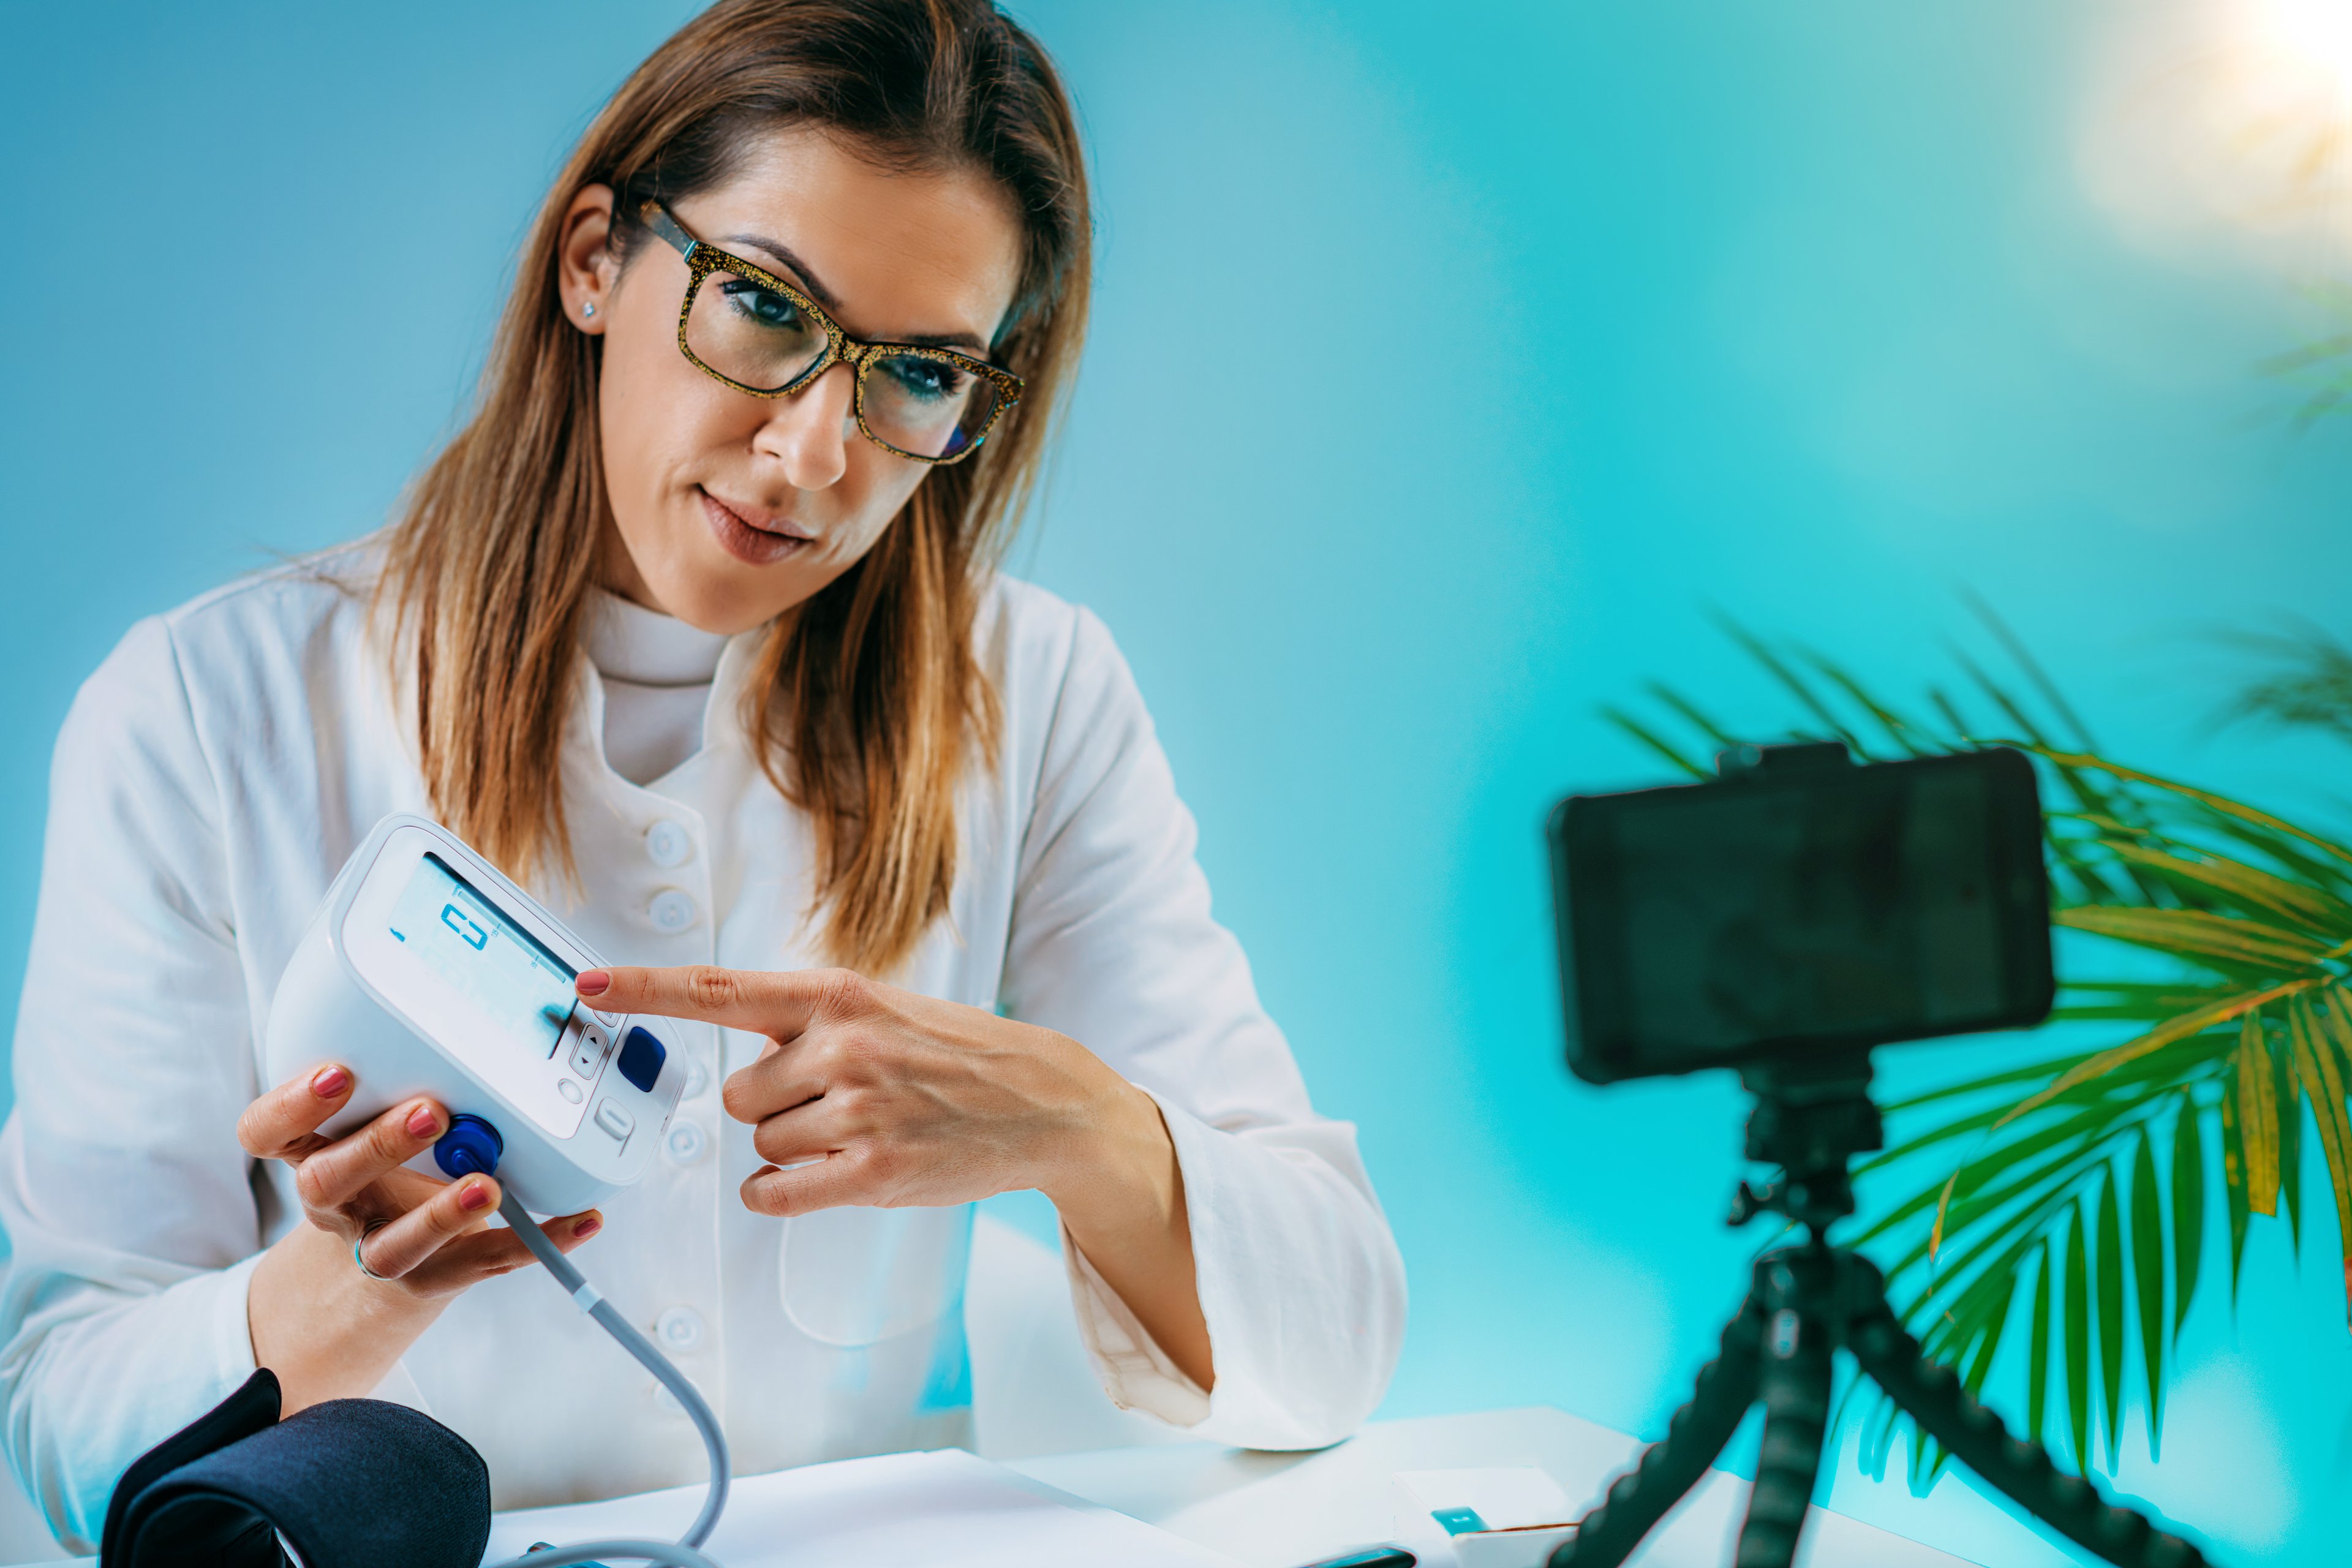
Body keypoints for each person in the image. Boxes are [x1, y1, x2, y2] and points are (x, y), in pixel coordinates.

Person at [0, 0, 1406, 1550]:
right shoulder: (209, 713)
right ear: (595, 259)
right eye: (763, 306)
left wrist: (1069, 1121)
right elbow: (59, 1422)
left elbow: (1334, 1338)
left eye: (922, 374)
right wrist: (341, 1286)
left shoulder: (1033, 690)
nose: (817, 452)